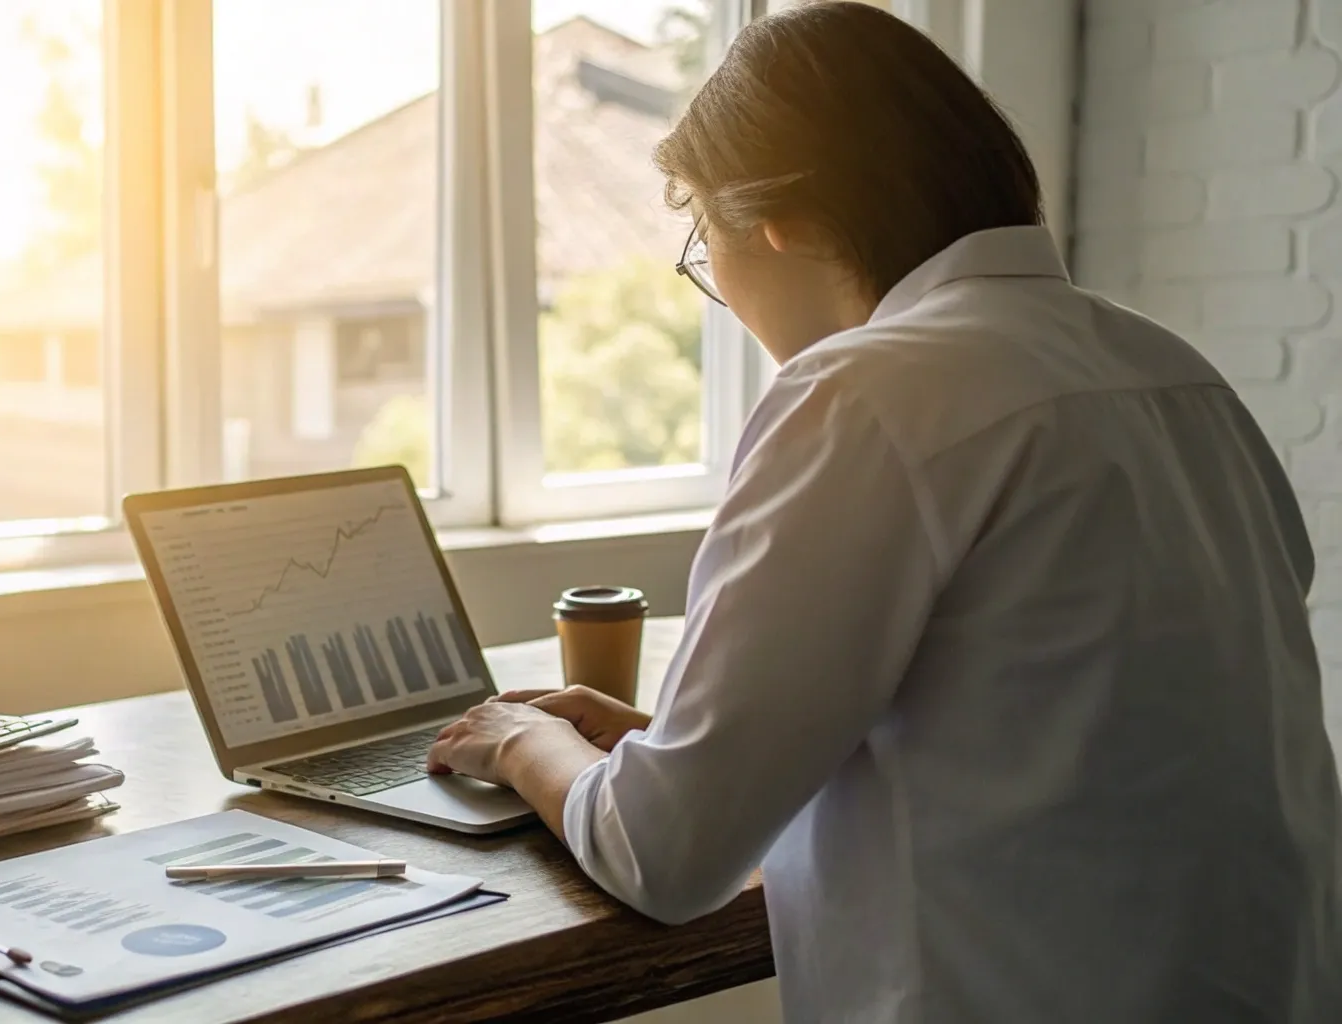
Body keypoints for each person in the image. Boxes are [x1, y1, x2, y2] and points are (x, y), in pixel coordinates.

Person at [425, 3, 1342, 1021]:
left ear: (777, 218)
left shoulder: (861, 392)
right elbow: (1059, 725)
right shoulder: (1172, 375)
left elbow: (663, 853)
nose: (715, 282)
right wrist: (673, 740)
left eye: (700, 238)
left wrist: (514, 736)